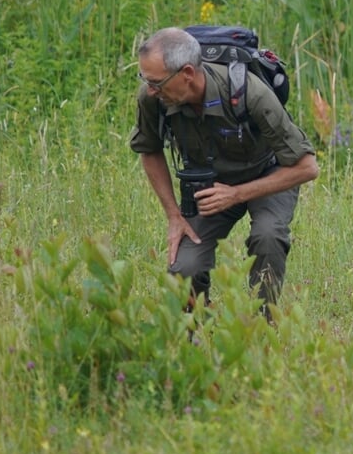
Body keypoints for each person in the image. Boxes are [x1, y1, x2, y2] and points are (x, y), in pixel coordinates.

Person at [131, 27, 319, 308]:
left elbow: (307, 168)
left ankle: (261, 331)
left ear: (187, 74)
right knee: (184, 269)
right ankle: (196, 338)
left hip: (267, 174)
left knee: (267, 237)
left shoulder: (250, 94)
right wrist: (174, 216)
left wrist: (236, 194)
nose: (150, 89)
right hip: (209, 185)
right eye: (145, 79)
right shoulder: (153, 98)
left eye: (157, 82)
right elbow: (149, 149)